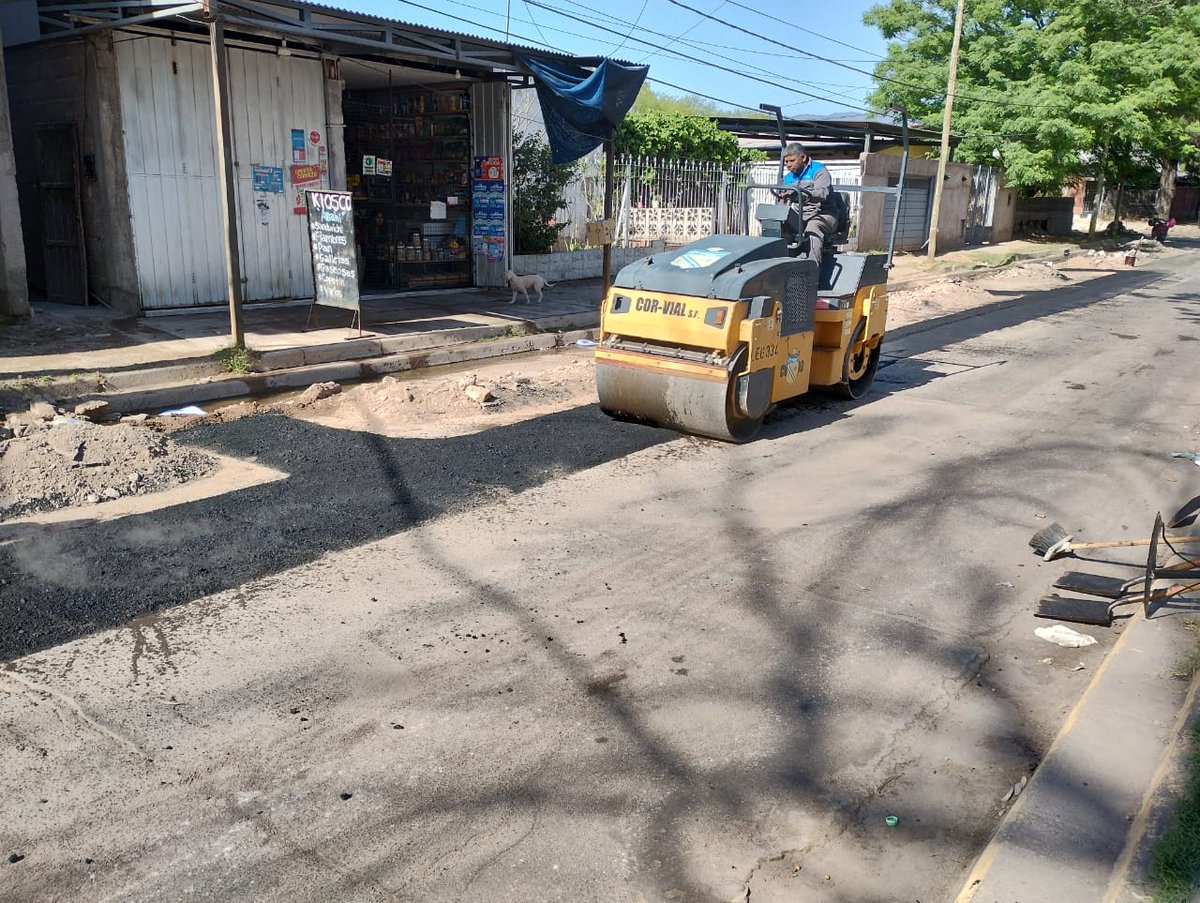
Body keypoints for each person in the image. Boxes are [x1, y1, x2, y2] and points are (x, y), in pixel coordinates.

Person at [777, 142, 839, 268]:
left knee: (813, 228)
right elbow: (782, 202)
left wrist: (803, 195)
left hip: (823, 214)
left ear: (803, 157)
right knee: (778, 227)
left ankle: (811, 270)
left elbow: (822, 193)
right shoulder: (788, 178)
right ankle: (779, 267)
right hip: (800, 215)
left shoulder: (819, 171)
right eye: (786, 162)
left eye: (791, 161)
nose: (788, 165)